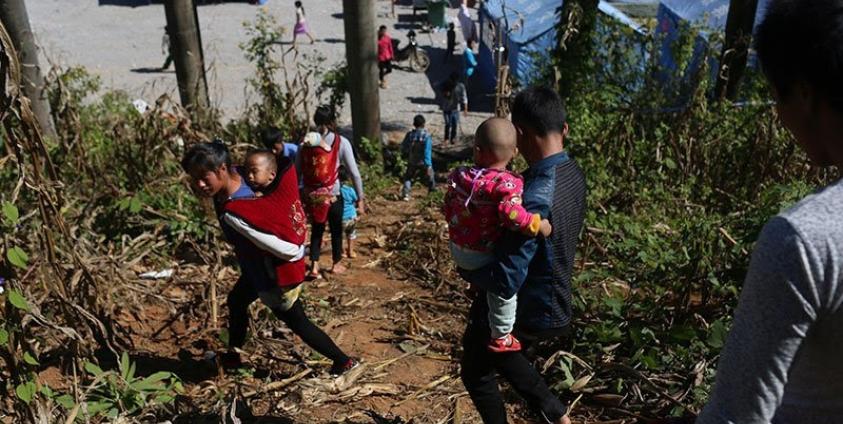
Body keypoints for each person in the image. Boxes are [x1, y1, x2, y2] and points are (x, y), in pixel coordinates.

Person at [694, 1, 843, 422]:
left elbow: (736, 415)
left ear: (804, 93)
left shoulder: (804, 239)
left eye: (777, 96)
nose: (779, 115)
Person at [458, 87, 584, 424]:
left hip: (527, 303)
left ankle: (554, 411)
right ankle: (550, 410)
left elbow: (510, 270)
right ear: (565, 129)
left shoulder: (531, 195)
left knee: (477, 370)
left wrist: (475, 278)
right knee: (497, 364)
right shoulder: (573, 173)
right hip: (554, 297)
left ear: (520, 134)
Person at [180, 141, 358, 376]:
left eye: (204, 178)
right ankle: (233, 358)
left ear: (222, 169)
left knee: (297, 321)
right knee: (236, 301)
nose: (200, 185)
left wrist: (299, 250)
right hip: (254, 269)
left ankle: (344, 361)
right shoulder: (241, 178)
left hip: (272, 275)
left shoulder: (239, 209)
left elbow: (284, 247)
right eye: (195, 179)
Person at [444, 117, 553, 353]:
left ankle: (475, 284)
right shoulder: (506, 184)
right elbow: (512, 215)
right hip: (481, 256)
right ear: (515, 152)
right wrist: (538, 225)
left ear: (477, 150)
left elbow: (448, 203)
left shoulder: (460, 175)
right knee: (504, 291)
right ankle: (501, 335)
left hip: (457, 248)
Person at [296, 105, 365, 277]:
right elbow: (354, 174)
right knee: (336, 230)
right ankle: (336, 264)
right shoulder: (341, 142)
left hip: (312, 195)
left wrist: (300, 193)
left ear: (315, 120)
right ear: (332, 121)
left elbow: (297, 171)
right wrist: (361, 198)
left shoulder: (305, 143)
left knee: (317, 229)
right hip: (333, 194)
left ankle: (314, 266)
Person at [401, 114, 436, 201]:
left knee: (408, 177)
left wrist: (405, 155)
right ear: (424, 124)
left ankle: (406, 194)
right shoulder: (426, 136)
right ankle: (432, 193)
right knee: (431, 176)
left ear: (414, 124)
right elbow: (427, 151)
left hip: (412, 160)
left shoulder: (410, 135)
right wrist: (428, 164)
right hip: (423, 162)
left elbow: (404, 147)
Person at [441, 73, 468, 144]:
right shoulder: (446, 85)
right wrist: (446, 94)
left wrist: (465, 109)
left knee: (454, 124)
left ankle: (453, 138)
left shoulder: (460, 87)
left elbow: (464, 97)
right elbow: (443, 94)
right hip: (446, 108)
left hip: (455, 109)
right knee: (448, 123)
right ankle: (446, 138)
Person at [339, 168, 359, 259]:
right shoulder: (350, 190)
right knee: (351, 234)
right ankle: (351, 251)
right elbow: (355, 200)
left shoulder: (337, 191)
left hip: (341, 217)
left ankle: (343, 252)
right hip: (351, 216)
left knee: (340, 235)